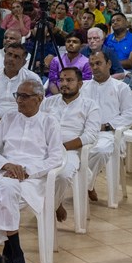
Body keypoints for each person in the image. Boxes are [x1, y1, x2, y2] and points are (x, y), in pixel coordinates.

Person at [0, 79, 65, 263]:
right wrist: (7, 165)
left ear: (39, 99)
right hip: (7, 172)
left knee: (2, 196)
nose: (18, 100)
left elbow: (56, 157)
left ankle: (9, 251)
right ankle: (17, 252)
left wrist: (27, 170)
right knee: (7, 189)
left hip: (34, 178)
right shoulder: (9, 118)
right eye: (17, 95)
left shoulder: (49, 122)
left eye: (24, 96)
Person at [41, 67, 99, 224]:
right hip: (43, 149)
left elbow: (90, 135)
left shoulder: (90, 105)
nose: (64, 84)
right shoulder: (48, 102)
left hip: (70, 151)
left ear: (80, 84)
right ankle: (55, 203)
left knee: (62, 175)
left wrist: (62, 147)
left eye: (69, 80)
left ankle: (52, 204)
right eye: (61, 80)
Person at [80, 50, 132, 203]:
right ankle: (88, 184)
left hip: (109, 134)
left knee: (101, 150)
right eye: (91, 64)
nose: (95, 67)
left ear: (109, 64)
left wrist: (107, 126)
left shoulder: (121, 87)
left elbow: (129, 116)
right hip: (85, 132)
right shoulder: (83, 87)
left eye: (98, 63)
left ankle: (84, 184)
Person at [0, 43, 43, 119]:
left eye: (16, 57)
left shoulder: (32, 79)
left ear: (24, 63)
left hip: (21, 121)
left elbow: (39, 105)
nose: (11, 59)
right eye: (9, 54)